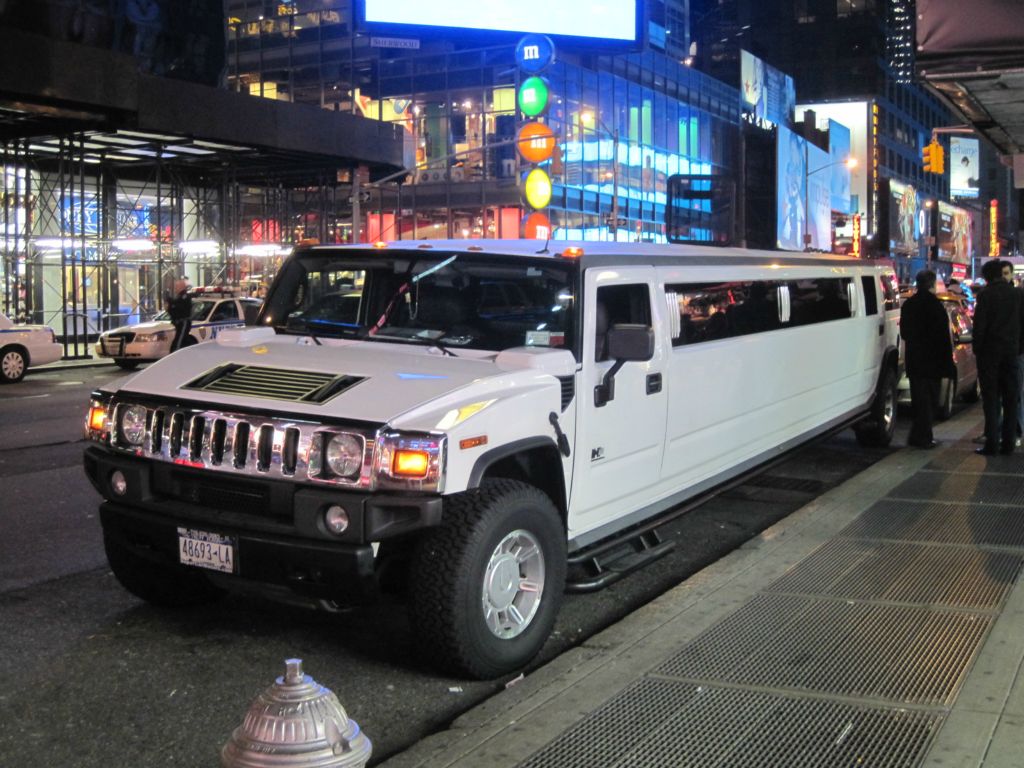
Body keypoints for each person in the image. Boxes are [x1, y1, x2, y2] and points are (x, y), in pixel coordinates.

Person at [900, 269, 955, 449]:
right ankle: (923, 437)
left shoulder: (909, 305)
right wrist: (948, 364)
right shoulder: (936, 306)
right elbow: (943, 338)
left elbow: (905, 333)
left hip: (915, 360)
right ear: (932, 284)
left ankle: (919, 436)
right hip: (933, 361)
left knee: (919, 400)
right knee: (930, 401)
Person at [972, 259, 1022, 455]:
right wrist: (1019, 349)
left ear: (987, 277)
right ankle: (1008, 442)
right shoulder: (1017, 294)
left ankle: (992, 442)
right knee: (1011, 399)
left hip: (990, 355)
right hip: (1011, 353)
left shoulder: (986, 295)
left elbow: (979, 327)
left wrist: (978, 350)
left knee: (991, 400)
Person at [166, 278, 192, 352]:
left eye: (176, 287)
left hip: (183, 323)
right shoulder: (179, 297)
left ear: (181, 287)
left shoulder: (185, 297)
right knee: (184, 343)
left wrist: (170, 303)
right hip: (178, 324)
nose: (175, 289)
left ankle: (175, 359)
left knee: (177, 345)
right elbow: (172, 309)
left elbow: (177, 307)